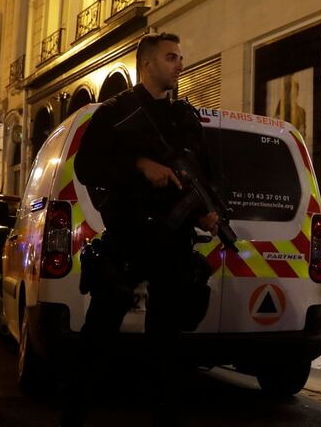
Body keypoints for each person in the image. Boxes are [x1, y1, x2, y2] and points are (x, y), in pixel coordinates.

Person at [62, 32, 219, 427]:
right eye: (171, 57)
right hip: (129, 235)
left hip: (172, 242)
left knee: (166, 344)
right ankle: (75, 414)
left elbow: (204, 175)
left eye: (181, 57)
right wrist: (139, 166)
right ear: (147, 63)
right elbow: (87, 168)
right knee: (99, 334)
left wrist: (207, 212)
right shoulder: (115, 112)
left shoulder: (185, 117)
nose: (179, 64)